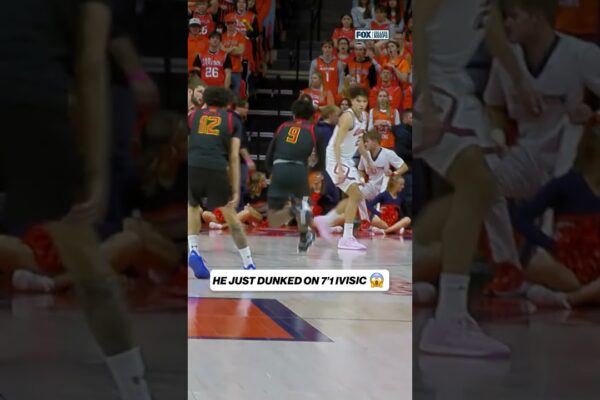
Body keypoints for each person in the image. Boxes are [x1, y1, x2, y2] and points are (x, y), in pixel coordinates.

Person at [0, 2, 154, 399]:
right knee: (92, 275)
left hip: (31, 98)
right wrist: (96, 171)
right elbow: (91, 68)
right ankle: (135, 392)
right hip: (32, 106)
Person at [412, 0, 542, 357]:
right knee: (476, 183)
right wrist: (425, 97)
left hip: (454, 85)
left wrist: (521, 79)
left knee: (480, 189)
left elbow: (491, 26)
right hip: (427, 81)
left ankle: (439, 302)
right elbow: (417, 27)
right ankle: (447, 318)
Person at [482, 0, 600, 294]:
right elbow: (493, 106)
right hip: (528, 155)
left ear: (536, 16)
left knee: (571, 131)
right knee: (481, 179)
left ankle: (553, 265)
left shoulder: (582, 54)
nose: (506, 24)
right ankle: (508, 265)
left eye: (513, 16)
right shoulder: (505, 60)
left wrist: (592, 115)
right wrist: (497, 136)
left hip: (572, 158)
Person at [514, 119, 600, 309]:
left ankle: (567, 299)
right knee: (539, 264)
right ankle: (583, 294)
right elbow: (521, 216)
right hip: (567, 265)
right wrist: (550, 244)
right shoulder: (566, 184)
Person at [188, 87, 256, 278]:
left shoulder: (193, 116)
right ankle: (248, 264)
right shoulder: (232, 119)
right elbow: (234, 157)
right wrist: (235, 190)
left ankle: (193, 250)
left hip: (193, 165)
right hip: (217, 167)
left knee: (192, 207)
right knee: (230, 215)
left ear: (206, 99)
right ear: (227, 102)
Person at [313, 87, 376, 250]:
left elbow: (359, 141)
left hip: (347, 159)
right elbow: (336, 143)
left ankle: (325, 220)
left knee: (356, 196)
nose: (361, 104)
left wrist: (368, 160)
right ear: (352, 101)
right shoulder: (347, 117)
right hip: (336, 158)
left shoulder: (365, 116)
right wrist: (340, 168)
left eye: (364, 101)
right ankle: (347, 238)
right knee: (355, 193)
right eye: (358, 101)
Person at [265, 100, 327, 252]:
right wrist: (310, 171)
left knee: (273, 219)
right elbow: (322, 162)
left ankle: (293, 210)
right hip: (299, 170)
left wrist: (273, 171)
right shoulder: (314, 130)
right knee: (304, 205)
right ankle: (304, 237)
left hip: (279, 168)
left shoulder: (282, 127)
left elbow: (268, 156)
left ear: (293, 114)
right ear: (312, 116)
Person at [222, 14, 247, 96]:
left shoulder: (241, 36)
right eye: (228, 23)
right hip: (223, 70)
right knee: (224, 94)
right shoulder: (221, 36)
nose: (230, 25)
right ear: (225, 24)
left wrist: (225, 50)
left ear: (236, 24)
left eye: (232, 23)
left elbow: (240, 51)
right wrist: (232, 48)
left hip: (236, 69)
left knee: (235, 94)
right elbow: (219, 50)